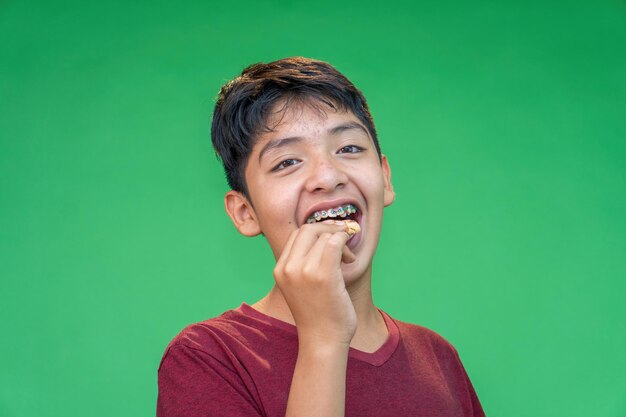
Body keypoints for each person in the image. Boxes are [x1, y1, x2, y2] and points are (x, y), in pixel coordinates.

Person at [157, 57, 485, 417]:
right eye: (287, 162)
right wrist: (323, 339)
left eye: (349, 148)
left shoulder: (438, 358)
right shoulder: (210, 357)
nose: (328, 177)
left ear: (385, 178)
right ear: (245, 213)